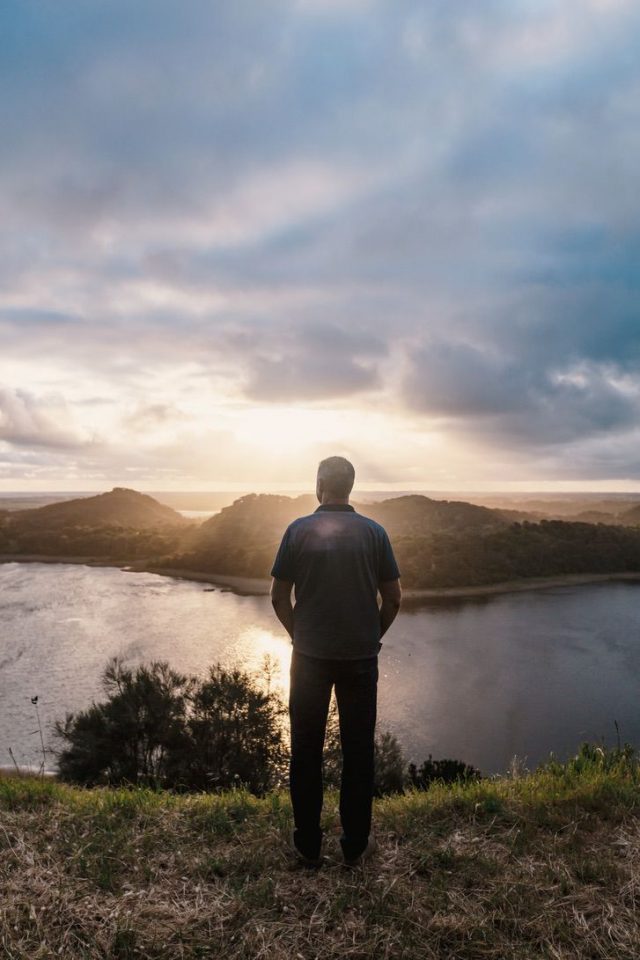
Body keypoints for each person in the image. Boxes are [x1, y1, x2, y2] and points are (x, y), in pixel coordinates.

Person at [270, 456, 402, 867]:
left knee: (305, 749)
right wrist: (371, 636)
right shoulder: (375, 532)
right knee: (358, 751)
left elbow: (278, 597)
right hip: (360, 659)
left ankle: (308, 846)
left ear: (320, 484)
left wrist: (301, 636)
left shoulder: (297, 530)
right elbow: (394, 599)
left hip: (309, 658)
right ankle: (355, 846)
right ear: (350, 486)